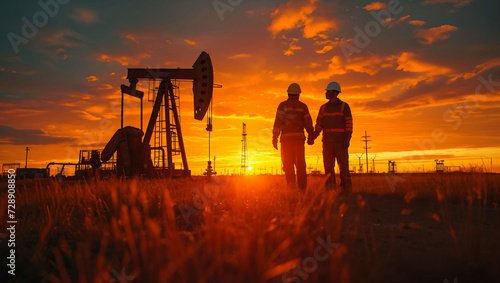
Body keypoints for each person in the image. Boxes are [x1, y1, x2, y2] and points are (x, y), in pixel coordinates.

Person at [272, 83, 315, 191]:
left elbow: (278, 122)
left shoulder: (282, 106)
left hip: (286, 141)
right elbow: (308, 123)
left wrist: (274, 138)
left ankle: (291, 190)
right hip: (298, 141)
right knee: (301, 166)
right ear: (298, 94)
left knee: (288, 167)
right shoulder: (303, 106)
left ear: (288, 93)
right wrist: (311, 137)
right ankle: (302, 191)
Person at [313, 82, 352, 191]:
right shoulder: (323, 108)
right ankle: (330, 190)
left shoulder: (344, 106)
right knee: (328, 168)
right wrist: (315, 134)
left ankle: (346, 189)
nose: (326, 93)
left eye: (328, 91)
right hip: (327, 143)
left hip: (340, 143)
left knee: (343, 167)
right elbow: (319, 123)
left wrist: (346, 140)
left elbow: (349, 124)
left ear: (334, 93)